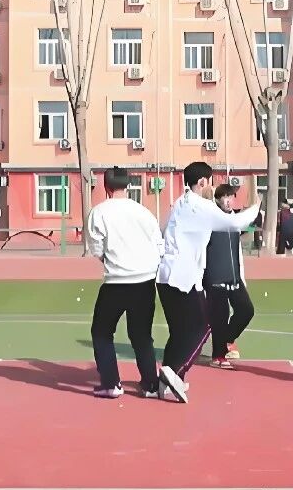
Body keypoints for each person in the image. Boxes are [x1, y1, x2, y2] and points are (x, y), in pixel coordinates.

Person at [156, 162, 261, 403]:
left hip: (165, 276)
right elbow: (234, 223)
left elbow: (163, 232)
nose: (212, 187)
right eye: (210, 182)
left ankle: (167, 379)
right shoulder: (201, 206)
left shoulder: (178, 204)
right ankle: (174, 373)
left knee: (179, 332)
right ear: (202, 182)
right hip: (182, 279)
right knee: (202, 328)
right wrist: (256, 206)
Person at [85, 167, 164, 399]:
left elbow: (97, 248)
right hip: (145, 281)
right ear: (128, 185)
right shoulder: (144, 212)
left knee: (101, 332)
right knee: (141, 335)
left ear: (106, 186)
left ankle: (111, 383)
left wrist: (113, 261)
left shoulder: (99, 212)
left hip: (116, 282)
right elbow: (159, 245)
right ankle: (150, 385)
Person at [205, 184, 256, 368]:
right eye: (224, 197)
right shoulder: (211, 220)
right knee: (220, 316)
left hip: (234, 277)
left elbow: (238, 253)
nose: (228, 200)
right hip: (215, 277)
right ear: (217, 200)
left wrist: (241, 276)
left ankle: (226, 339)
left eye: (230, 196)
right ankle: (218, 356)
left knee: (246, 310)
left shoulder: (236, 222)